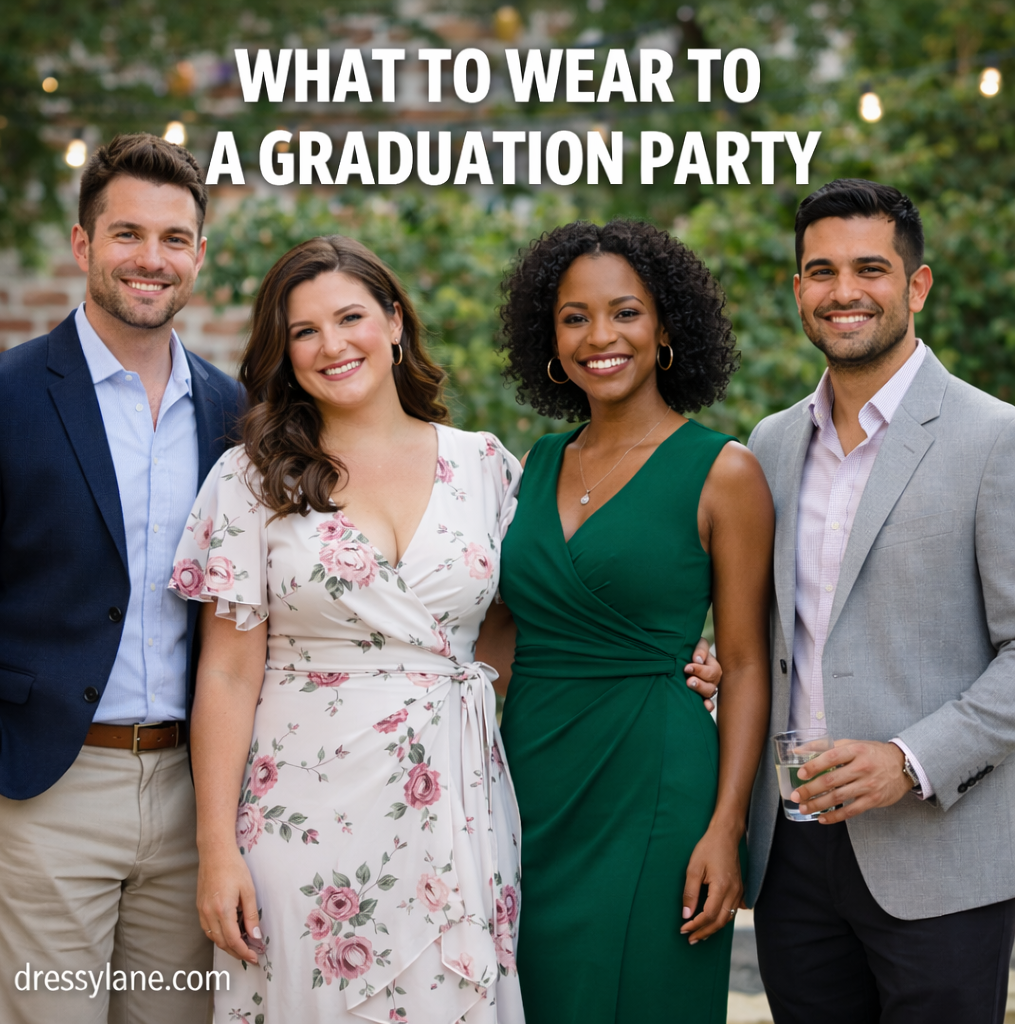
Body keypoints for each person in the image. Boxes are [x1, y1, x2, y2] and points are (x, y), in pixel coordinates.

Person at [169, 235, 526, 1023]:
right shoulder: (251, 479)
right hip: (301, 819)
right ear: (284, 351)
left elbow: (514, 625)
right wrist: (217, 850)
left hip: (456, 804)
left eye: (351, 317)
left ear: (395, 323)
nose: (332, 345)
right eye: (304, 331)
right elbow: (227, 674)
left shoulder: (486, 467)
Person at [489, 219, 774, 1024]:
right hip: (533, 784)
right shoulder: (534, 465)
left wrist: (726, 829)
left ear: (665, 327)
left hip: (657, 784)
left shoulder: (725, 472)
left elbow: (747, 663)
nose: (599, 337)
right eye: (574, 317)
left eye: (625, 312)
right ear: (548, 338)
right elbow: (500, 633)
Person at [745, 179, 1015, 1024]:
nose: (844, 291)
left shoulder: (995, 437)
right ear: (798, 292)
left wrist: (909, 759)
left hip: (941, 853)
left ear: (917, 285)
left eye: (870, 268)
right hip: (792, 854)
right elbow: (789, 633)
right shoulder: (772, 443)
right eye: (820, 272)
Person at [0, 134, 242, 1023]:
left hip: (191, 796)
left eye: (175, 239)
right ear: (83, 245)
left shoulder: (232, 412)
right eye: (127, 234)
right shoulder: (5, 397)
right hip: (48, 788)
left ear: (200, 256)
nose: (152, 259)